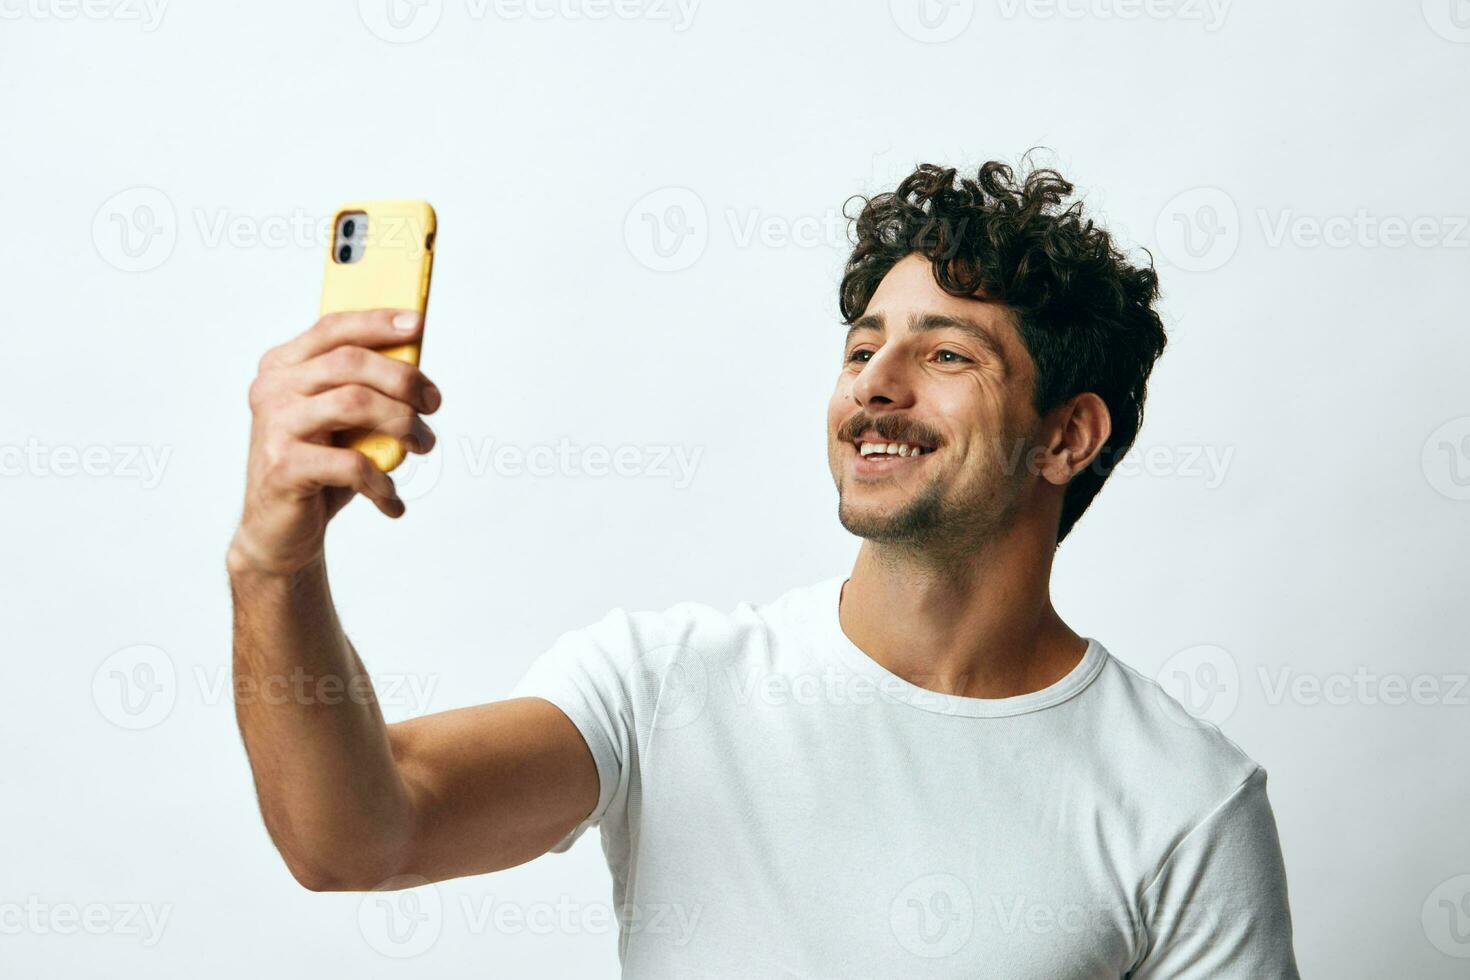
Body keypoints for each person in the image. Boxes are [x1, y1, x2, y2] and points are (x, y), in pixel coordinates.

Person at [227, 159, 1299, 977]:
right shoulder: (662, 683)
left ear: (1067, 438)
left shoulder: (1187, 801)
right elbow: (359, 832)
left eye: (946, 352)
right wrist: (273, 565)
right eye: (860, 346)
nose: (874, 382)